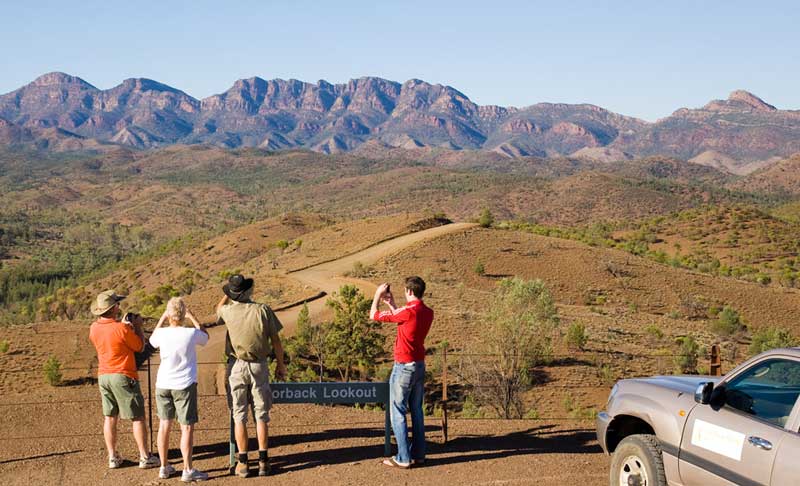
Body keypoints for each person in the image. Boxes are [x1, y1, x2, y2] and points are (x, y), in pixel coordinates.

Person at [216, 274, 287, 478]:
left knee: (239, 415)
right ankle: (264, 461)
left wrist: (227, 294)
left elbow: (217, 310)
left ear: (232, 294)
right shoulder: (262, 310)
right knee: (261, 414)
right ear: (248, 292)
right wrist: (280, 365)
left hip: (237, 366)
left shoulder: (227, 311)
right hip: (259, 365)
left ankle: (243, 463)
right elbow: (276, 342)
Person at [88, 290, 159, 469]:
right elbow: (140, 346)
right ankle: (145, 457)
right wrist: (137, 327)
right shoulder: (121, 328)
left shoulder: (94, 328)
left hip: (104, 376)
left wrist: (126, 326)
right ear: (113, 309)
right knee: (137, 416)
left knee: (110, 416)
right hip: (123, 375)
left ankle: (113, 457)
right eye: (117, 304)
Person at [371, 277, 434, 469]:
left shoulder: (408, 312)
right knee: (416, 410)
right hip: (419, 365)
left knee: (397, 412)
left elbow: (374, 315)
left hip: (404, 367)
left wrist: (376, 296)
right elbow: (405, 319)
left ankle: (403, 457)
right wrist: (392, 304)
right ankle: (419, 454)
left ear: (409, 291)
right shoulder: (427, 312)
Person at [149, 297, 209, 482]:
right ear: (183, 314)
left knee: (164, 425)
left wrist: (162, 318)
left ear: (169, 315)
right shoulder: (190, 333)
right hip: (184, 384)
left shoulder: (162, 334)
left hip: (163, 384)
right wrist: (192, 316)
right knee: (186, 427)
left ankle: (163, 467)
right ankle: (187, 469)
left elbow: (152, 340)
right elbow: (205, 336)